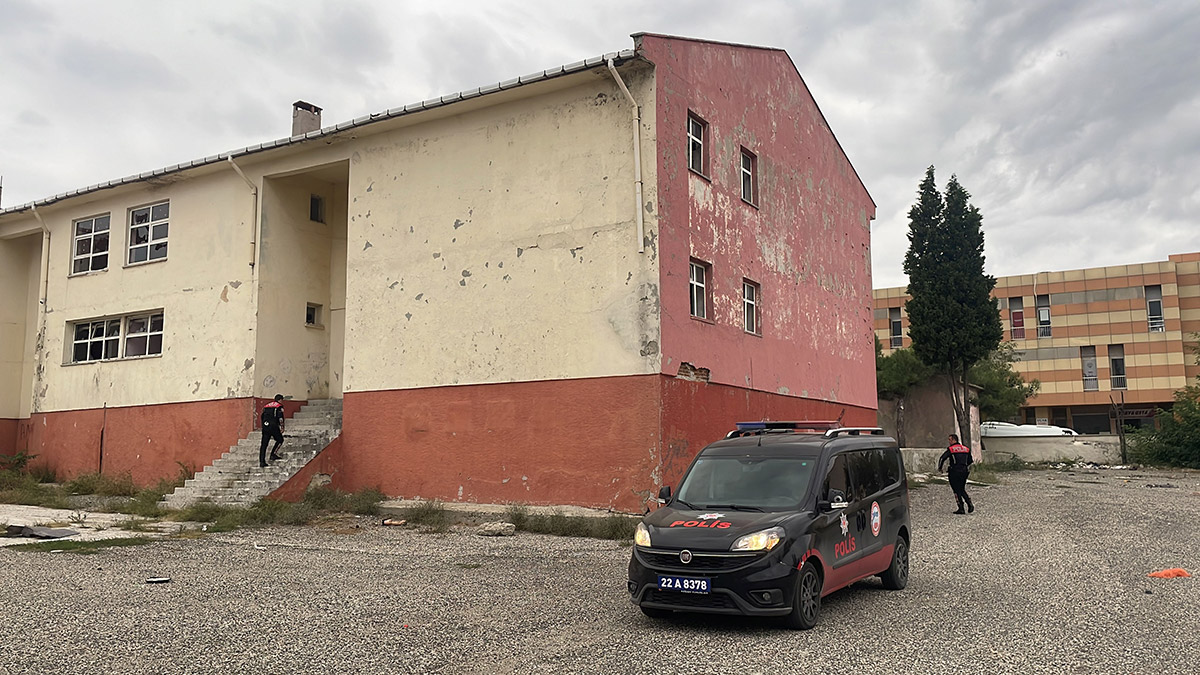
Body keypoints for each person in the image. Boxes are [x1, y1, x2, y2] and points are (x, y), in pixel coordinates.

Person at [938, 433, 974, 515]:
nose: (949, 441)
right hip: (964, 471)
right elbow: (970, 461)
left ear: (954, 440)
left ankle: (961, 507)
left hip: (954, 471)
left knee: (956, 490)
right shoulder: (966, 449)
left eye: (950, 440)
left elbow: (942, 458)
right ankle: (969, 503)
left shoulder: (951, 449)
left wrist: (940, 468)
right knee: (961, 488)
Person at [259, 394, 286, 468]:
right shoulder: (279, 406)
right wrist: (282, 427)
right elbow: (280, 418)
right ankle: (273, 454)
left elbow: (262, 416)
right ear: (280, 400)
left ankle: (262, 461)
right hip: (273, 426)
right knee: (280, 440)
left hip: (265, 426)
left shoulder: (266, 406)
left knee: (264, 445)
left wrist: (263, 426)